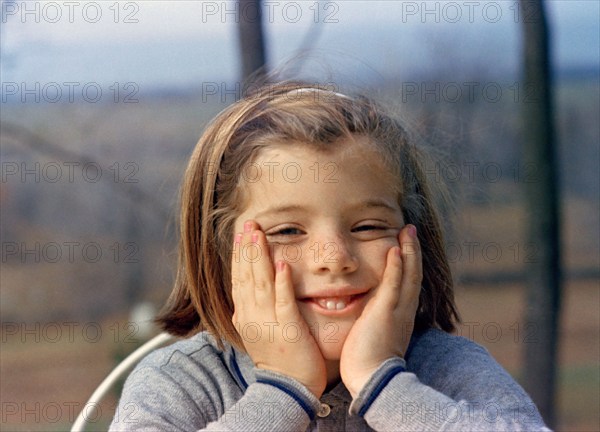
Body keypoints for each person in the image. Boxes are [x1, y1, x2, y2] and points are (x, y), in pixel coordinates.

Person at [110, 82, 550, 431]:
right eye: (287, 231)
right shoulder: (181, 383)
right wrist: (284, 392)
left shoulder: (449, 369)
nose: (334, 258)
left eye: (368, 226)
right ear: (222, 254)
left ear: (414, 240)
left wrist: (384, 384)